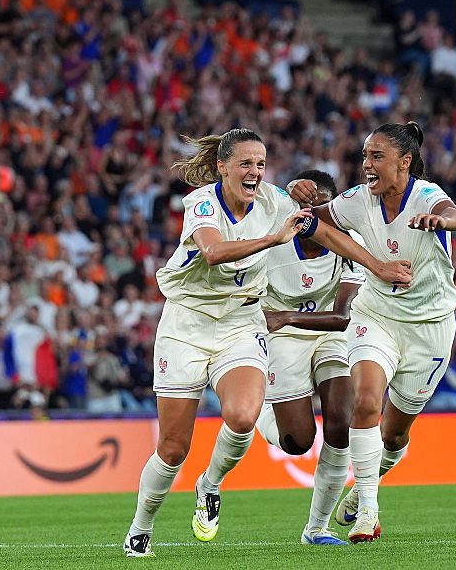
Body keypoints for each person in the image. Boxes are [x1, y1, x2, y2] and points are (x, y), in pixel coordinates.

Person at [122, 129, 411, 557]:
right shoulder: (202, 203)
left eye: (260, 164)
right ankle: (140, 526)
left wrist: (378, 265)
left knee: (241, 417)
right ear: (222, 168)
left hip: (242, 321)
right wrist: (273, 239)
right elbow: (214, 252)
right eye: (245, 163)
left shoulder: (275, 200)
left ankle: (210, 485)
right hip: (187, 324)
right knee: (173, 446)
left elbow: (323, 230)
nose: (255, 171)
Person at [289, 121, 456, 543]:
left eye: (376, 157)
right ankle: (369, 509)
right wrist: (292, 191)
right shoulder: (358, 199)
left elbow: (455, 216)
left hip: (429, 328)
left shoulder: (426, 195)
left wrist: (436, 221)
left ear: (405, 162)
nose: (366, 165)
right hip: (377, 315)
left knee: (395, 434)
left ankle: (367, 485)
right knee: (366, 402)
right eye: (365, 156)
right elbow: (314, 221)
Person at [205, 169, 363, 546]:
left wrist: (288, 316)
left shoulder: (350, 242)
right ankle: (260, 407)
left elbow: (343, 317)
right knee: (298, 442)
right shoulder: (276, 234)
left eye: (320, 208)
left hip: (326, 331)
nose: (310, 214)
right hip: (279, 337)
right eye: (302, 205)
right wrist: (287, 189)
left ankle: (317, 529)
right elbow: (249, 195)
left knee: (342, 423)